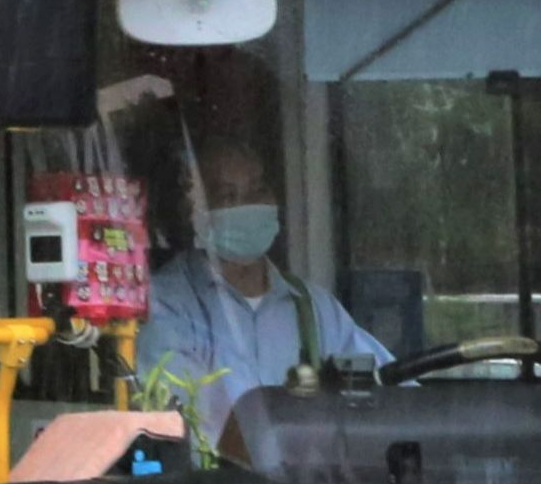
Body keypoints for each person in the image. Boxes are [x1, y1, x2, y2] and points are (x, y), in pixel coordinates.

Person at [133, 128, 386, 447]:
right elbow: (193, 429)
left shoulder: (311, 307)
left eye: (258, 189)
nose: (249, 206)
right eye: (228, 196)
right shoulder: (166, 305)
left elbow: (389, 392)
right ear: (193, 211)